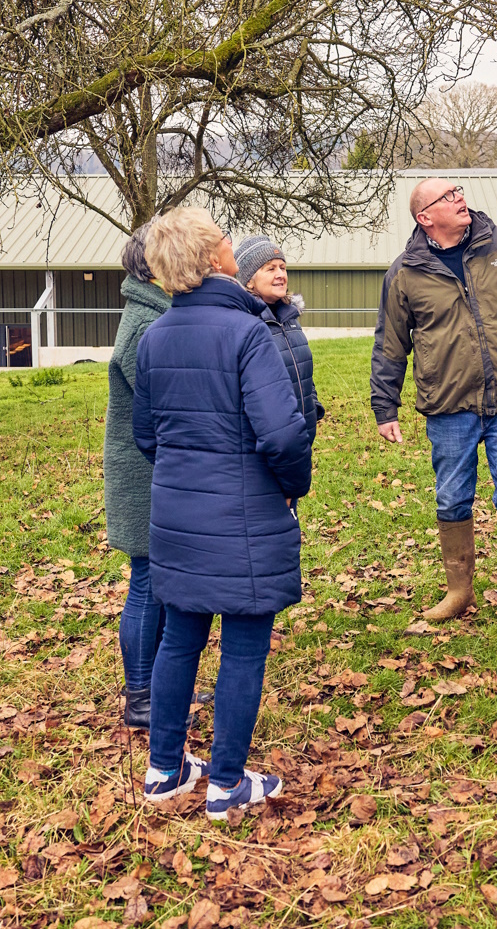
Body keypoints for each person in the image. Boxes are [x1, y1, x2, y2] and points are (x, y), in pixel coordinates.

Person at [133, 207, 312, 821]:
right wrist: (292, 487)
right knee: (241, 647)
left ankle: (165, 770)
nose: (238, 251)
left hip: (177, 513)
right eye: (228, 244)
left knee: (179, 639)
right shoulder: (247, 334)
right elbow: (283, 435)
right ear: (213, 260)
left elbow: (146, 435)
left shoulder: (155, 337)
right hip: (244, 513)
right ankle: (228, 782)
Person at [370, 179, 497, 639]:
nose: (460, 198)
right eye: (447, 196)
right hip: (448, 406)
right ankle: (459, 592)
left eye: (458, 190)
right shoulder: (405, 273)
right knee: (452, 498)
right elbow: (390, 344)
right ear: (425, 217)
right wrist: (385, 405)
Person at [104, 224, 173, 728]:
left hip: (156, 474)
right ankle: (141, 696)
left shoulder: (156, 315)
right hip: (143, 478)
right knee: (147, 584)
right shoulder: (144, 325)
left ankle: (161, 687)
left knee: (160, 584)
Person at [234, 235, 324, 445]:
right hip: (266, 447)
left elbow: (303, 370)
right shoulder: (244, 323)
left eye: (282, 268)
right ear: (249, 280)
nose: (280, 275)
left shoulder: (290, 318)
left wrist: (313, 406)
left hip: (301, 439)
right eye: (270, 268)